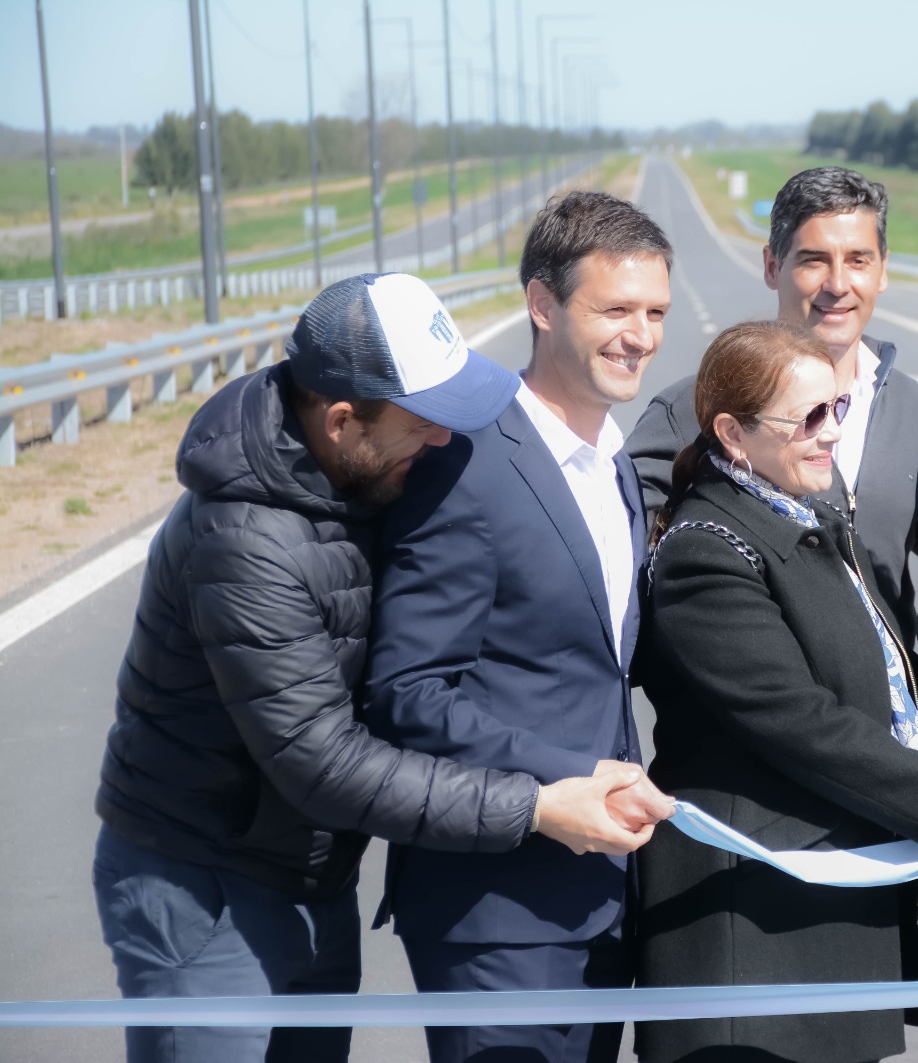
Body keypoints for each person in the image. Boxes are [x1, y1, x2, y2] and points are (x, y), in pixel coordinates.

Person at [92, 272, 649, 1063]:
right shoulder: (248, 543)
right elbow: (323, 764)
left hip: (312, 873)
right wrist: (537, 807)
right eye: (424, 423)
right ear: (343, 419)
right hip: (206, 885)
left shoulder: (357, 472)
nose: (446, 442)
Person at [636, 320, 918, 1063]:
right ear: (732, 433)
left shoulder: (805, 512)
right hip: (750, 920)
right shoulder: (705, 549)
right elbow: (799, 721)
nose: (832, 433)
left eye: (839, 410)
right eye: (810, 417)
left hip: (823, 901)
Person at [363, 192, 678, 1063]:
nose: (641, 336)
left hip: (603, 900)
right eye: (614, 310)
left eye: (654, 312)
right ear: (541, 305)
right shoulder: (467, 463)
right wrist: (576, 776)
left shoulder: (613, 462)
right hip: (494, 916)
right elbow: (408, 694)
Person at [627, 166, 918, 634]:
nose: (838, 284)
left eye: (858, 260)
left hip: (889, 703)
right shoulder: (690, 411)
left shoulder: (906, 401)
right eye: (814, 260)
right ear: (773, 266)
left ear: (882, 271)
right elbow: (619, 566)